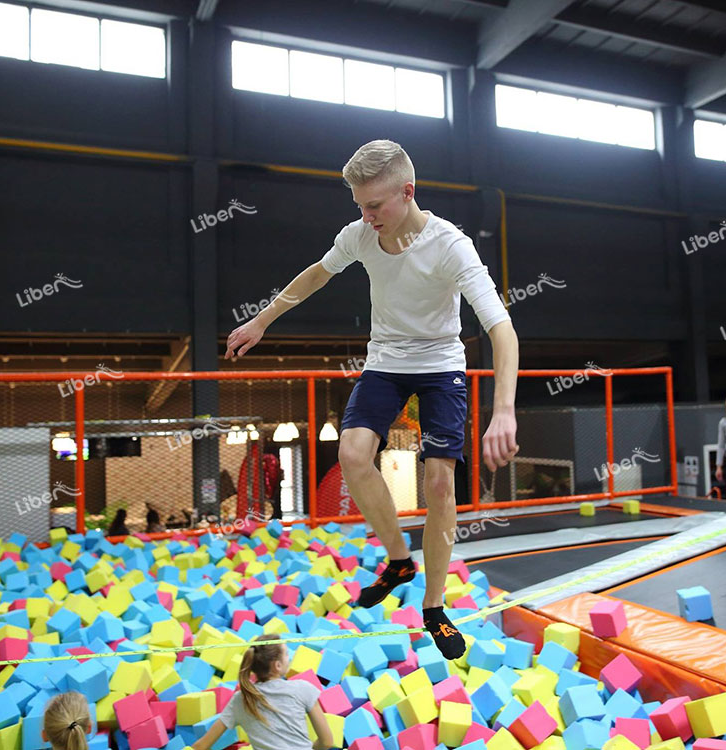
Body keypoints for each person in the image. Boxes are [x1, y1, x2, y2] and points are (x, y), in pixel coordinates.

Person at [224, 140, 519, 659]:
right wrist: (261, 320)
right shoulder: (360, 235)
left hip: (439, 364)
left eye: (375, 206)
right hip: (385, 360)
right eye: (359, 206)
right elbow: (317, 274)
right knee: (353, 454)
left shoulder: (451, 245)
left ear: (407, 193)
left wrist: (504, 410)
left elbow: (501, 328)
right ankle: (399, 559)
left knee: (439, 480)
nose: (365, 216)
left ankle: (433, 606)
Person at [191, 634, 335, 750]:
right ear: (277, 665)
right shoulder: (303, 689)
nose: (289, 657)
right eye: (286, 654)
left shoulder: (241, 699)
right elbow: (327, 742)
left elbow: (201, 746)